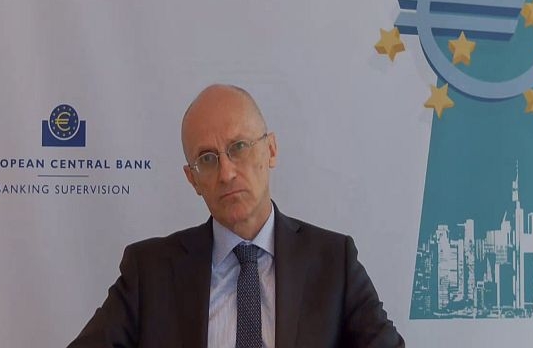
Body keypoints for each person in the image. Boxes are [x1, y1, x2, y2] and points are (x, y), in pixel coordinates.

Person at [67, 84, 405, 347]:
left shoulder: (333, 262)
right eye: (207, 159)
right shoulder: (149, 272)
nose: (226, 173)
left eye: (239, 147)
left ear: (271, 150)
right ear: (192, 179)